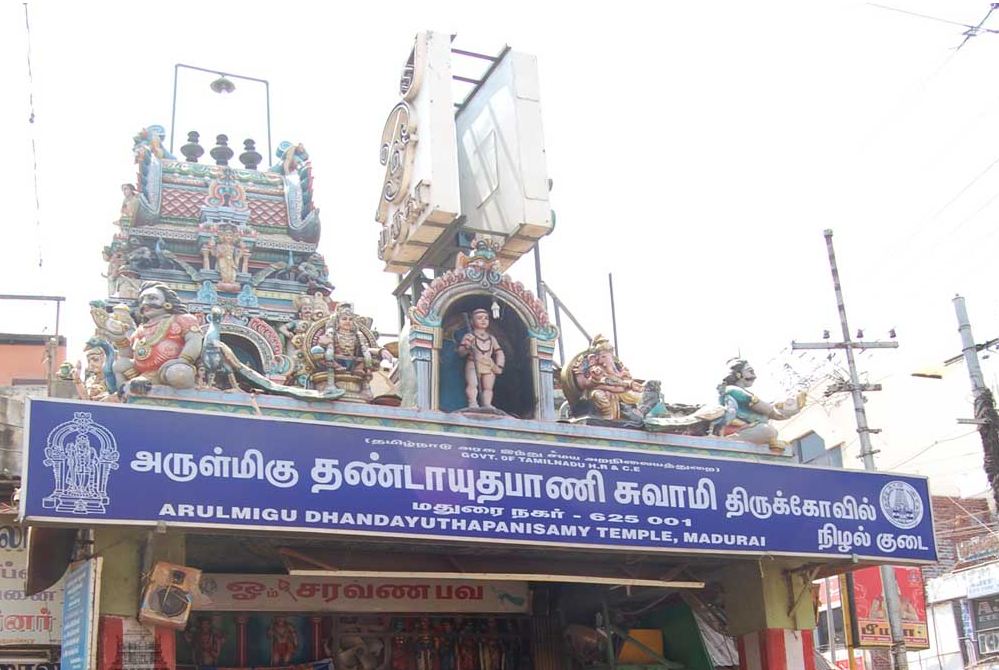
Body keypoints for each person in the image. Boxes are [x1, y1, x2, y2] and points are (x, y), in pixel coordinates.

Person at [716, 358, 805, 452]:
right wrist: (790, 408)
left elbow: (769, 410)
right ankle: (730, 441)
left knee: (769, 431)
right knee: (768, 431)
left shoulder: (735, 390)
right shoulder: (734, 391)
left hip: (749, 428)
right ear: (738, 374)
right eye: (750, 371)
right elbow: (768, 410)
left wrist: (789, 408)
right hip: (738, 430)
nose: (754, 375)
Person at [457, 309, 504, 408]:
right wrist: (467, 347)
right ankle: (473, 402)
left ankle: (487, 404)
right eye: (479, 318)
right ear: (472, 321)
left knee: (488, 388)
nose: (483, 320)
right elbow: (461, 353)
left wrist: (499, 366)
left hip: (488, 364)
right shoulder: (469, 336)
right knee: (473, 384)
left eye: (486, 318)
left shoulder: (491, 338)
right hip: (473, 363)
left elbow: (499, 352)